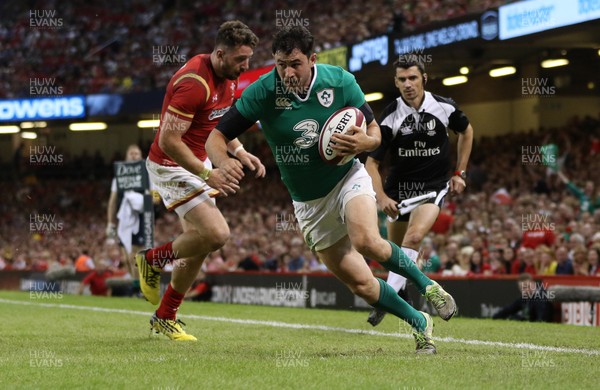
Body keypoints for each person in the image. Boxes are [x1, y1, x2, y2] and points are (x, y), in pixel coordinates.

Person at [206, 26, 457, 354]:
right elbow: (216, 136)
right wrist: (220, 163)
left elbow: (374, 131)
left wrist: (366, 142)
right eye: (280, 64)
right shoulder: (262, 92)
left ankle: (430, 287)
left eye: (295, 63)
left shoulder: (340, 81)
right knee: (363, 285)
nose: (287, 72)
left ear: (312, 59)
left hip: (346, 177)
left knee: (367, 240)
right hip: (308, 203)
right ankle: (419, 321)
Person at [135, 21, 265, 341]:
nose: (245, 66)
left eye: (248, 58)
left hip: (198, 160)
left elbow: (215, 124)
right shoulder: (195, 83)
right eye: (240, 59)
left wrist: (239, 150)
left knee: (201, 243)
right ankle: (152, 260)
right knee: (217, 233)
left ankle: (166, 315)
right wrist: (209, 173)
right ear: (220, 54)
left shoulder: (227, 76)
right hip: (170, 165)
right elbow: (168, 141)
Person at [363, 57, 473, 326]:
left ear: (424, 78)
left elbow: (467, 132)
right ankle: (400, 298)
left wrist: (460, 173)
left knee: (412, 239)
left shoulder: (444, 106)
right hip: (397, 193)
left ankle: (389, 296)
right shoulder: (390, 115)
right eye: (402, 80)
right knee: (394, 256)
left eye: (412, 78)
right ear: (396, 83)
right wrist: (382, 197)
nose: (407, 84)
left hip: (431, 188)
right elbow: (371, 162)